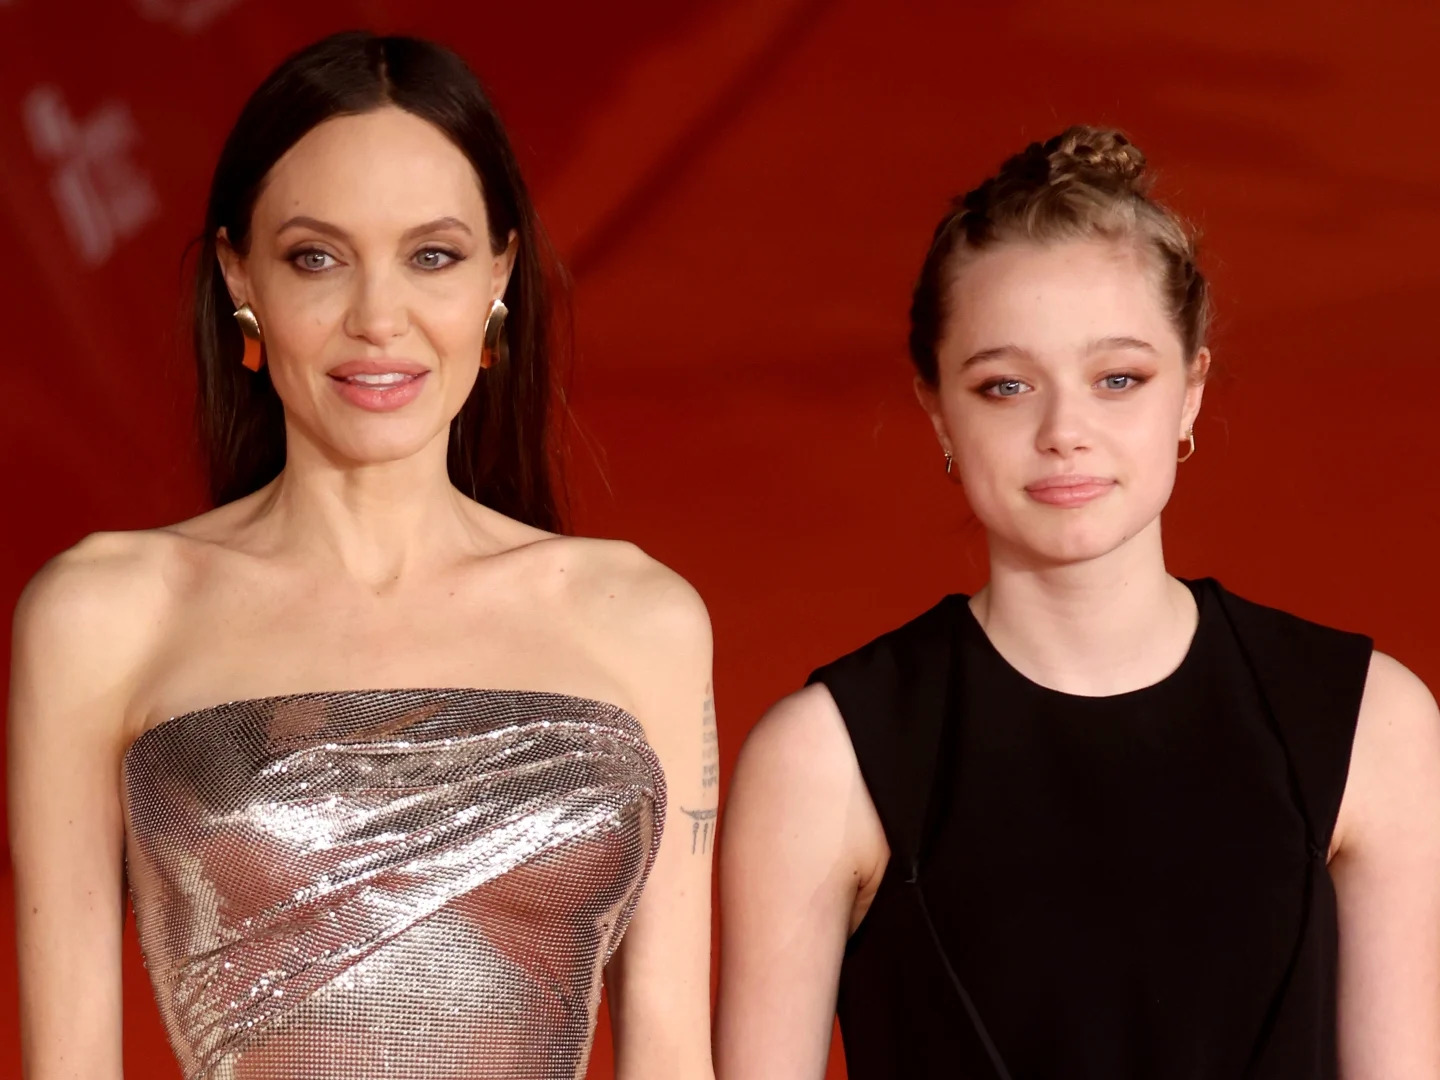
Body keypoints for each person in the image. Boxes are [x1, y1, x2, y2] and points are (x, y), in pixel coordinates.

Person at [9, 31, 715, 1080]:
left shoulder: (641, 618)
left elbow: (671, 1059)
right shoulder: (103, 614)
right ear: (238, 274)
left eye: (432, 256)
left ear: (498, 278)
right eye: (316, 257)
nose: (379, 319)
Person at [715, 127, 1440, 1079]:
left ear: (1190, 392)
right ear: (937, 407)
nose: (1065, 432)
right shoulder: (822, 757)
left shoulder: (1371, 722)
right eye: (1006, 386)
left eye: (1118, 379)